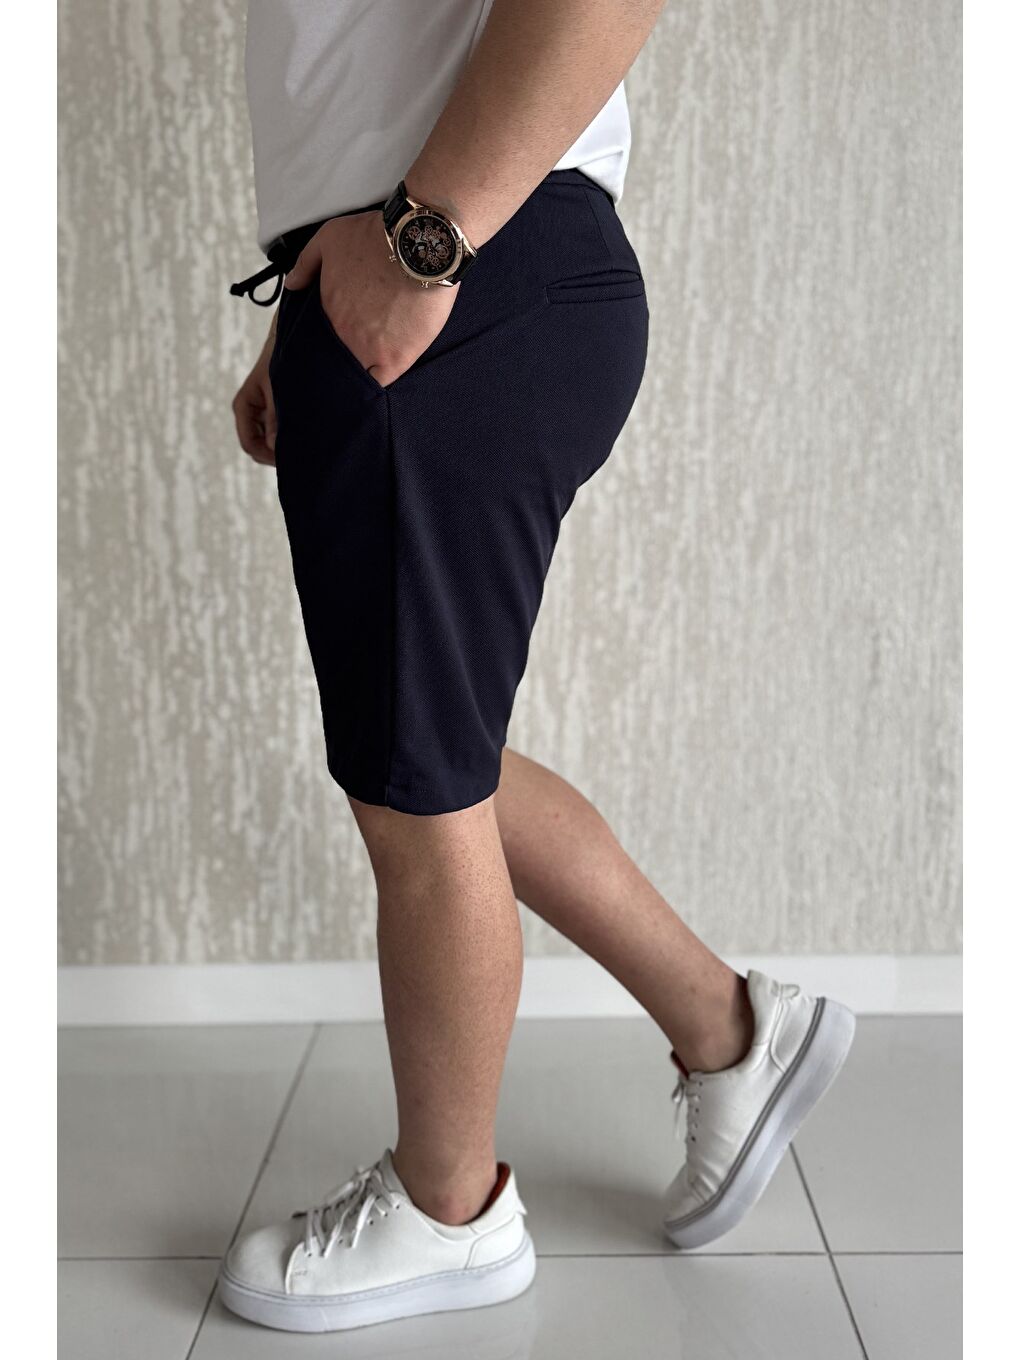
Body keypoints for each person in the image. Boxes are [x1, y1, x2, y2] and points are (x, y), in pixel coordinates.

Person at [220, 0, 856, 1336]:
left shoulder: (433, 244)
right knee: (430, 759)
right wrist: (317, 300)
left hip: (459, 256)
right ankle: (733, 1032)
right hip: (428, 262)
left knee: (418, 788)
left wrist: (417, 242)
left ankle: (449, 1214)